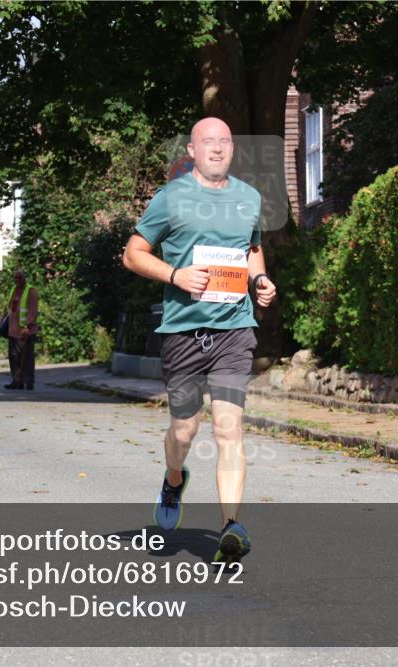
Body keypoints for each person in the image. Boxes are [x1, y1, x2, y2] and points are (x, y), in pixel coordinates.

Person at [123, 117, 277, 565]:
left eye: (225, 142)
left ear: (233, 150)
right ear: (191, 150)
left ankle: (231, 527)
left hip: (234, 329)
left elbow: (251, 249)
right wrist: (176, 274)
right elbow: (133, 253)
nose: (217, 148)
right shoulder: (170, 198)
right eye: (208, 142)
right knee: (185, 429)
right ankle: (174, 480)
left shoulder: (249, 198)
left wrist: (261, 279)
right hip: (183, 332)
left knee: (229, 428)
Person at [5, 269, 39, 390]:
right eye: (15, 278)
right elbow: (10, 307)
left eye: (19, 277)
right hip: (13, 330)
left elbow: (33, 311)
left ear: (25, 278)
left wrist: (28, 326)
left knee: (27, 358)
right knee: (13, 356)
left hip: (26, 331)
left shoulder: (31, 291)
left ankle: (29, 382)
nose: (17, 280)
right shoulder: (14, 290)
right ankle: (16, 381)